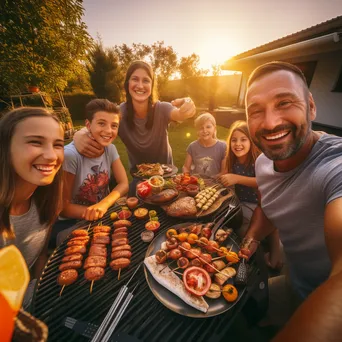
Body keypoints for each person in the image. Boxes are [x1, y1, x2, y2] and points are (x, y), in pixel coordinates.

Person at [239, 61, 342, 340]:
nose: (270, 123)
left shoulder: (334, 167)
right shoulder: (263, 162)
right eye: (256, 111)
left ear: (311, 106)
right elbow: (269, 207)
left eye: (284, 102)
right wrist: (251, 240)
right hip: (292, 282)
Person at [73, 60, 196, 195]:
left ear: (152, 85)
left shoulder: (161, 108)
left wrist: (187, 104)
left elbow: (179, 114)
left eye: (146, 80)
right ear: (127, 84)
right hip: (139, 181)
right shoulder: (119, 113)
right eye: (135, 79)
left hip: (167, 178)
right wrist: (78, 135)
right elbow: (97, 126)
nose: (140, 85)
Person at [0, 107, 64, 279]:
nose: (52, 156)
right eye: (36, 142)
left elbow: (40, 256)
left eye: (58, 144)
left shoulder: (47, 200)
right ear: (5, 148)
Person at [55, 99, 129, 244]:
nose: (108, 131)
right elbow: (63, 208)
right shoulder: (70, 156)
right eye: (101, 123)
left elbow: (124, 183)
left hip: (103, 213)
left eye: (114, 126)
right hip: (73, 221)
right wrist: (93, 211)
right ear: (88, 125)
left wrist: (104, 205)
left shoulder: (110, 149)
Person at [219, 120, 282, 270]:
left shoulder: (258, 160)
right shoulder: (232, 159)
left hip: (259, 203)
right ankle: (265, 249)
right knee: (232, 224)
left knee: (249, 230)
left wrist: (237, 178)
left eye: (243, 139)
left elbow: (264, 181)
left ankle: (271, 254)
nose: (238, 144)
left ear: (252, 141)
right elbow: (225, 175)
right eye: (234, 140)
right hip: (242, 203)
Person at [183, 112, 226, 177]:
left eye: (208, 127)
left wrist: (212, 181)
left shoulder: (223, 147)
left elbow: (224, 172)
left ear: (214, 128)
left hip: (216, 184)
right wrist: (187, 177)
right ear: (197, 130)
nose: (204, 130)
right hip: (196, 183)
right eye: (201, 128)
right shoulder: (192, 146)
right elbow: (186, 167)